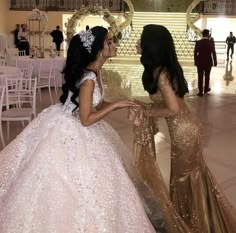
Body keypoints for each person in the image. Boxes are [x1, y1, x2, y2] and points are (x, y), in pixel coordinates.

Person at [0, 26, 157, 233]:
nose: (114, 45)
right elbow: (86, 119)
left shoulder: (95, 72)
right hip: (71, 128)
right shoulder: (89, 79)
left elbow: (95, 104)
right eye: (109, 42)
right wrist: (116, 106)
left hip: (71, 120)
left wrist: (119, 101)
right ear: (99, 49)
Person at [131, 24, 236, 233]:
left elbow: (173, 108)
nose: (138, 42)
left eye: (142, 38)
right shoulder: (163, 68)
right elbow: (171, 104)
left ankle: (196, 225)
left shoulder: (161, 74)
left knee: (184, 178)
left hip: (183, 132)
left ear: (151, 44)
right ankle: (201, 221)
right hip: (186, 127)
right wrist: (147, 106)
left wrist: (146, 113)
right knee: (191, 177)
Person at [194, 29, 217, 96]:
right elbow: (213, 52)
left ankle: (200, 91)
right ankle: (206, 89)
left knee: (200, 76)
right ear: (207, 34)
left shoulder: (198, 42)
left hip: (200, 62)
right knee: (207, 76)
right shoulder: (211, 42)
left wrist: (195, 61)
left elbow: (195, 52)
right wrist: (215, 61)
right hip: (208, 62)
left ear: (202, 34)